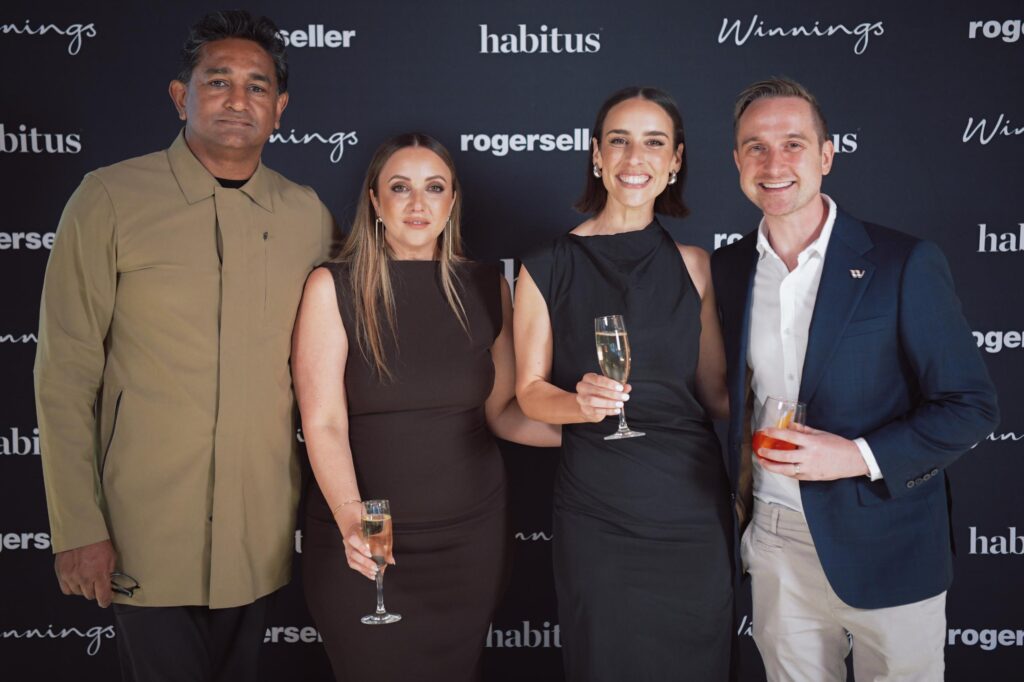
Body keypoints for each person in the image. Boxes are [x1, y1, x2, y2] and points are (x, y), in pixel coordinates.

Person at [33, 10, 335, 682]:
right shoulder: (108, 199)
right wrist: (78, 526)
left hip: (258, 532)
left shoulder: (308, 215)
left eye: (257, 86)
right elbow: (64, 373)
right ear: (180, 96)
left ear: (280, 109)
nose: (238, 99)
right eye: (218, 81)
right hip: (143, 530)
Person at [712, 77, 1000, 681]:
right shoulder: (729, 268)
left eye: (793, 144)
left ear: (826, 155)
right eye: (756, 147)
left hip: (890, 541)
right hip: (776, 540)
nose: (774, 164)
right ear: (737, 161)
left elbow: (970, 406)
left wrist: (855, 456)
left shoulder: (903, 262)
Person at [293, 132, 559, 681]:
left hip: (471, 539)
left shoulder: (487, 286)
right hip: (367, 538)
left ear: (452, 200)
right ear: (375, 200)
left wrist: (591, 426)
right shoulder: (332, 287)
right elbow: (322, 422)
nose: (418, 203)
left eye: (434, 188)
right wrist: (352, 520)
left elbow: (504, 413)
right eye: (400, 187)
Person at [514, 87, 733, 681]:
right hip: (599, 509)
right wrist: (578, 404)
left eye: (654, 143)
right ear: (596, 155)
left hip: (691, 506)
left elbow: (715, 394)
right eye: (619, 141)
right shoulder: (545, 265)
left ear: (676, 160)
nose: (636, 158)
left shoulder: (697, 265)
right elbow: (528, 391)